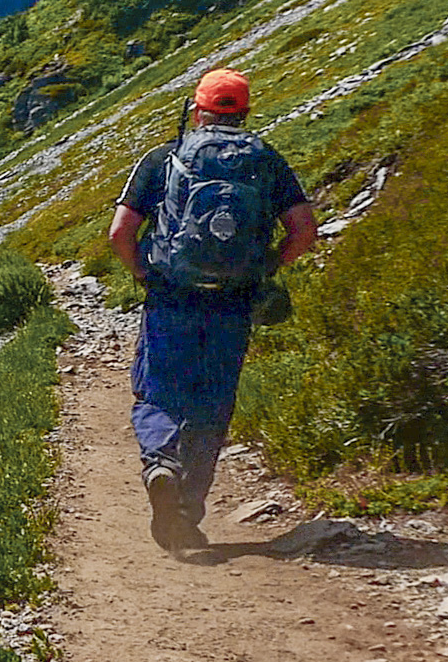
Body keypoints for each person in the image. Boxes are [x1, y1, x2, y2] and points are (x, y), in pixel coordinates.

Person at [106, 68, 318, 551]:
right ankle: (186, 512)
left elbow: (120, 233)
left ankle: (160, 462)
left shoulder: (165, 158)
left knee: (158, 392)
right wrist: (267, 266)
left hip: (172, 296)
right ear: (244, 112)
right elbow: (304, 229)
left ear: (197, 110)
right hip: (233, 302)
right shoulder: (266, 161)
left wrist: (144, 273)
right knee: (213, 403)